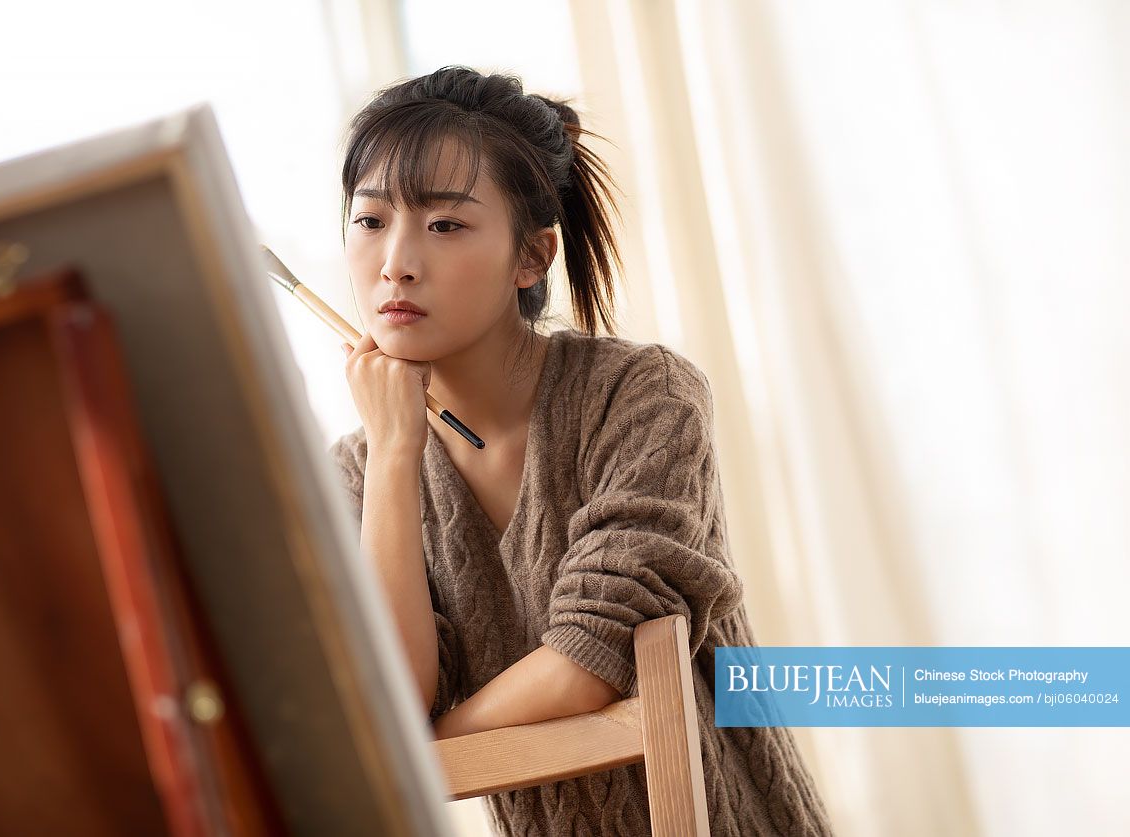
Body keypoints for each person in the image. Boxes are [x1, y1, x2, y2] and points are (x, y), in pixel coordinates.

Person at [329, 65, 833, 836]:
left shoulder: (640, 396)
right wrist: (397, 453)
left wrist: (409, 755)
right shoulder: (358, 473)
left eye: (445, 224)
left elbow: (588, 662)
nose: (395, 260)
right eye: (370, 221)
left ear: (531, 258)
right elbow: (391, 692)